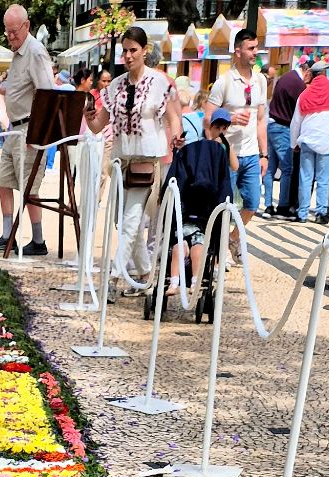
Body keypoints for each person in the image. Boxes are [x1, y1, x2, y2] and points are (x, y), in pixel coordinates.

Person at [86, 24, 178, 291]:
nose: (128, 56)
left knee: (131, 219)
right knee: (129, 223)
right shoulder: (115, 86)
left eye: (133, 50)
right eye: (124, 50)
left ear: (144, 50)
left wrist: (176, 138)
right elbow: (98, 125)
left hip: (146, 161)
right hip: (120, 161)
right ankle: (147, 275)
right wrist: (88, 117)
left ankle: (113, 278)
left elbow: (174, 118)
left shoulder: (160, 83)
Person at [0, 4, 54, 252]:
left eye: (14, 31)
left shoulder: (35, 52)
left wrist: (38, 132)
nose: (11, 36)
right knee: (3, 181)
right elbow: (18, 88)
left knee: (29, 188)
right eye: (7, 32)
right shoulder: (18, 53)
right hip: (14, 129)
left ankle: (38, 240)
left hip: (29, 129)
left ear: (26, 26)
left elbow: (47, 94)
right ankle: (8, 235)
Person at [164, 97, 231, 310]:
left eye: (223, 128)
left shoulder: (221, 151)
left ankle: (195, 281)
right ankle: (174, 282)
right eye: (217, 126)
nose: (219, 131)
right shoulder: (196, 148)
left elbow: (233, 167)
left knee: (198, 250)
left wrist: (226, 148)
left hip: (203, 225)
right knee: (179, 249)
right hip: (185, 222)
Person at [208, 27, 267, 228]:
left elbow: (260, 120)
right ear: (238, 51)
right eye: (250, 48)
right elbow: (207, 118)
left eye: (256, 48)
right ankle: (218, 241)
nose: (255, 52)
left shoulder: (260, 80)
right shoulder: (223, 82)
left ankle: (232, 238)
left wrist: (264, 154)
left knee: (252, 203)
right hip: (227, 153)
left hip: (251, 154)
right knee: (223, 205)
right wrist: (230, 118)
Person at [289, 52, 329, 223]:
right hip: (327, 143)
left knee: (305, 178)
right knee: (323, 179)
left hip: (307, 141)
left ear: (313, 74)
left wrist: (293, 143)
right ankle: (320, 213)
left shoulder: (305, 94)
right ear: (325, 73)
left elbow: (296, 122)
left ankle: (302, 213)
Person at [265, 53, 303, 217]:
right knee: (287, 168)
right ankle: (283, 205)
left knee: (270, 169)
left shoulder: (285, 78)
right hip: (283, 127)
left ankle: (268, 205)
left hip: (271, 125)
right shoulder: (297, 83)